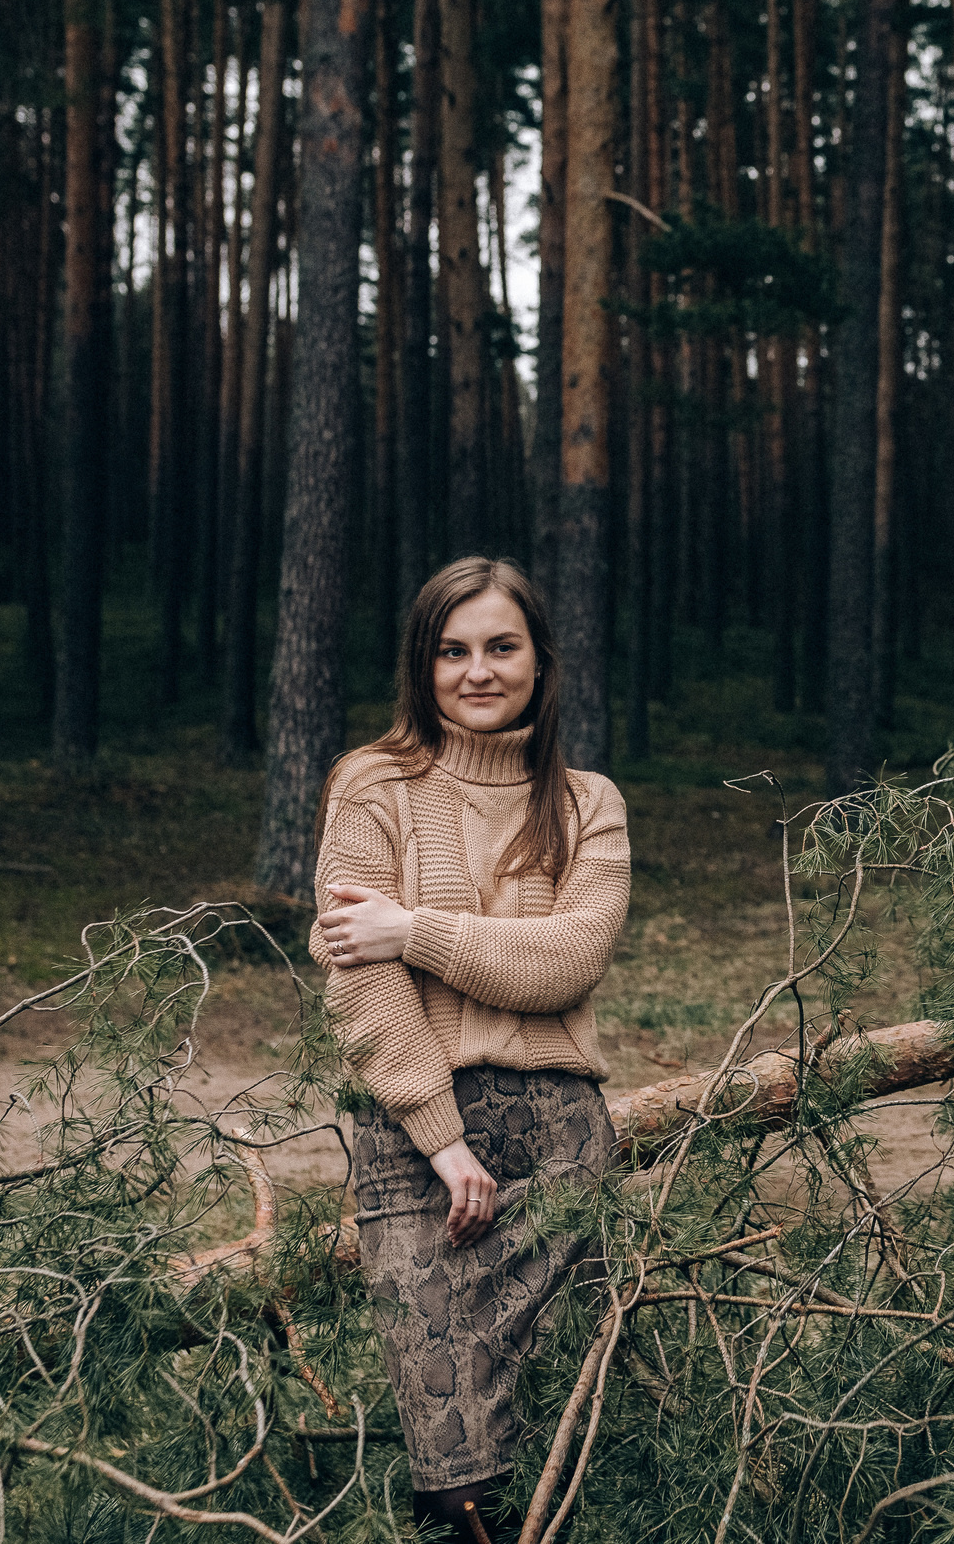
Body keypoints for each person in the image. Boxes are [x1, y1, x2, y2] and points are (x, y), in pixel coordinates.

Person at [310, 556, 630, 1542]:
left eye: (501, 646)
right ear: (424, 664)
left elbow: (565, 963)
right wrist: (442, 1138)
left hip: (561, 1145)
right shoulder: (373, 784)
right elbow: (356, 979)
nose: (476, 671)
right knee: (455, 1476)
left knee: (549, 1458)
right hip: (415, 1149)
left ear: (541, 660)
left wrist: (415, 931)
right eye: (452, 651)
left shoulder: (589, 803)